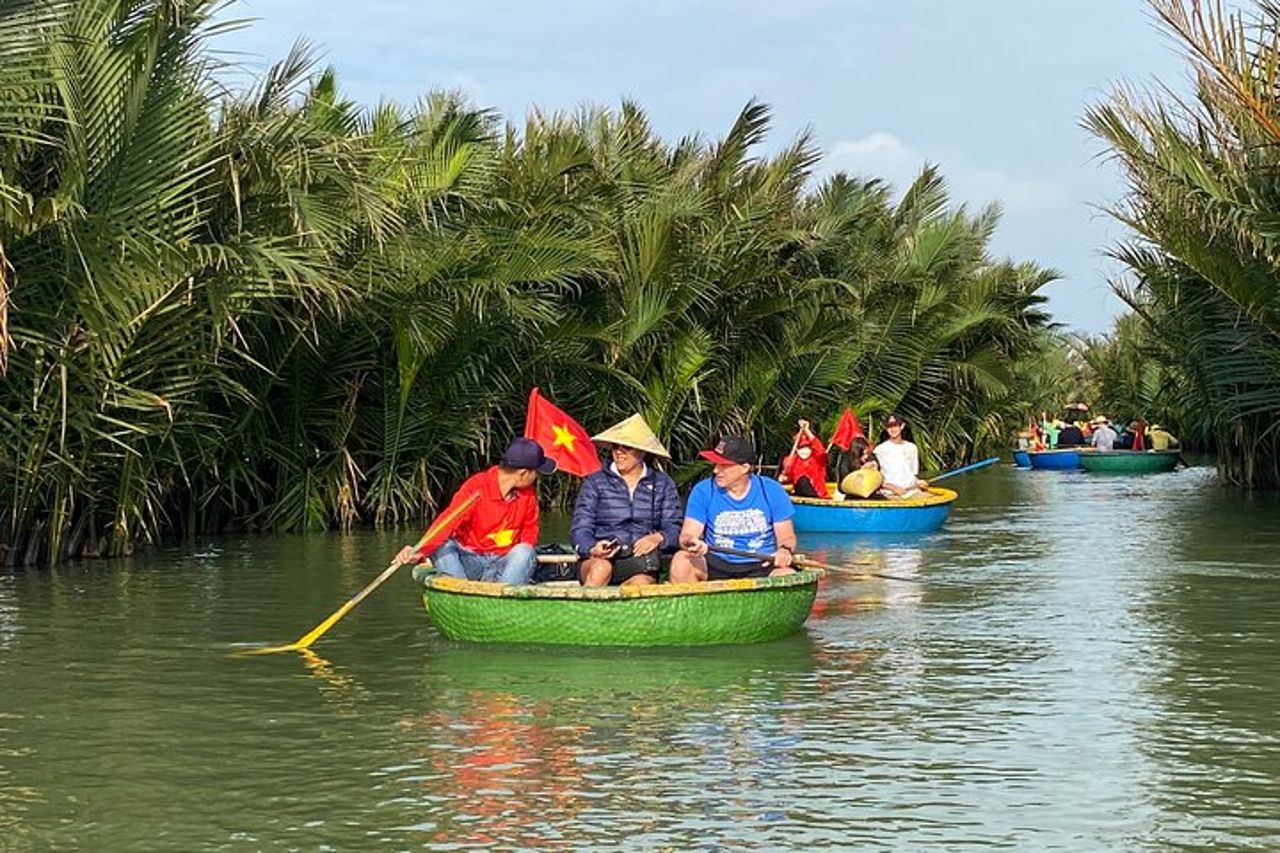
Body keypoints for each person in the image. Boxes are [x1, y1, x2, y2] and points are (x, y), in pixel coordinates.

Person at [391, 437, 555, 585]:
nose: (537, 477)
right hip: (471, 560)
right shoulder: (476, 488)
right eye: (536, 473)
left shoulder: (528, 494)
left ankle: (504, 596)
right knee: (442, 546)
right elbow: (448, 522)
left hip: (502, 565)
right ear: (523, 474)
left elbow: (529, 532)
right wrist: (419, 551)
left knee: (525, 551)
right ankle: (461, 590)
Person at [570, 414, 683, 587]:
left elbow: (674, 526)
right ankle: (586, 613)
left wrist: (659, 538)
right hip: (599, 559)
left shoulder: (662, 483)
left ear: (642, 451)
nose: (619, 452)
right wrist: (593, 547)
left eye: (627, 447)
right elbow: (580, 529)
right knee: (601, 568)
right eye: (615, 446)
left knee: (642, 583)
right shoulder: (594, 482)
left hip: (640, 562)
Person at [669, 435, 797, 582]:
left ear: (745, 468)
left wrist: (784, 551)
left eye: (724, 465)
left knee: (788, 576)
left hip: (761, 563)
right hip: (716, 562)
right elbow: (686, 536)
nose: (716, 470)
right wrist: (692, 543)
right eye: (716, 464)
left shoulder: (771, 490)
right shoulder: (703, 490)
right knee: (681, 560)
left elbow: (787, 537)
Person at [873, 414, 929, 498]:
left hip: (911, 490)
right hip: (890, 493)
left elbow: (912, 473)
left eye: (895, 426)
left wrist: (919, 482)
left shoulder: (912, 447)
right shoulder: (879, 450)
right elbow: (875, 478)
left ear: (902, 426)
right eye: (889, 427)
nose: (892, 429)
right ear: (886, 429)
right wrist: (893, 488)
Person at [778, 418, 829, 498]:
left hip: (819, 497)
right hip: (801, 495)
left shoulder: (818, 457)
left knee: (803, 481)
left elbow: (821, 451)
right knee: (802, 481)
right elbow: (788, 479)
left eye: (806, 436)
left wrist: (806, 430)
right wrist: (782, 479)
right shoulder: (789, 460)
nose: (803, 437)